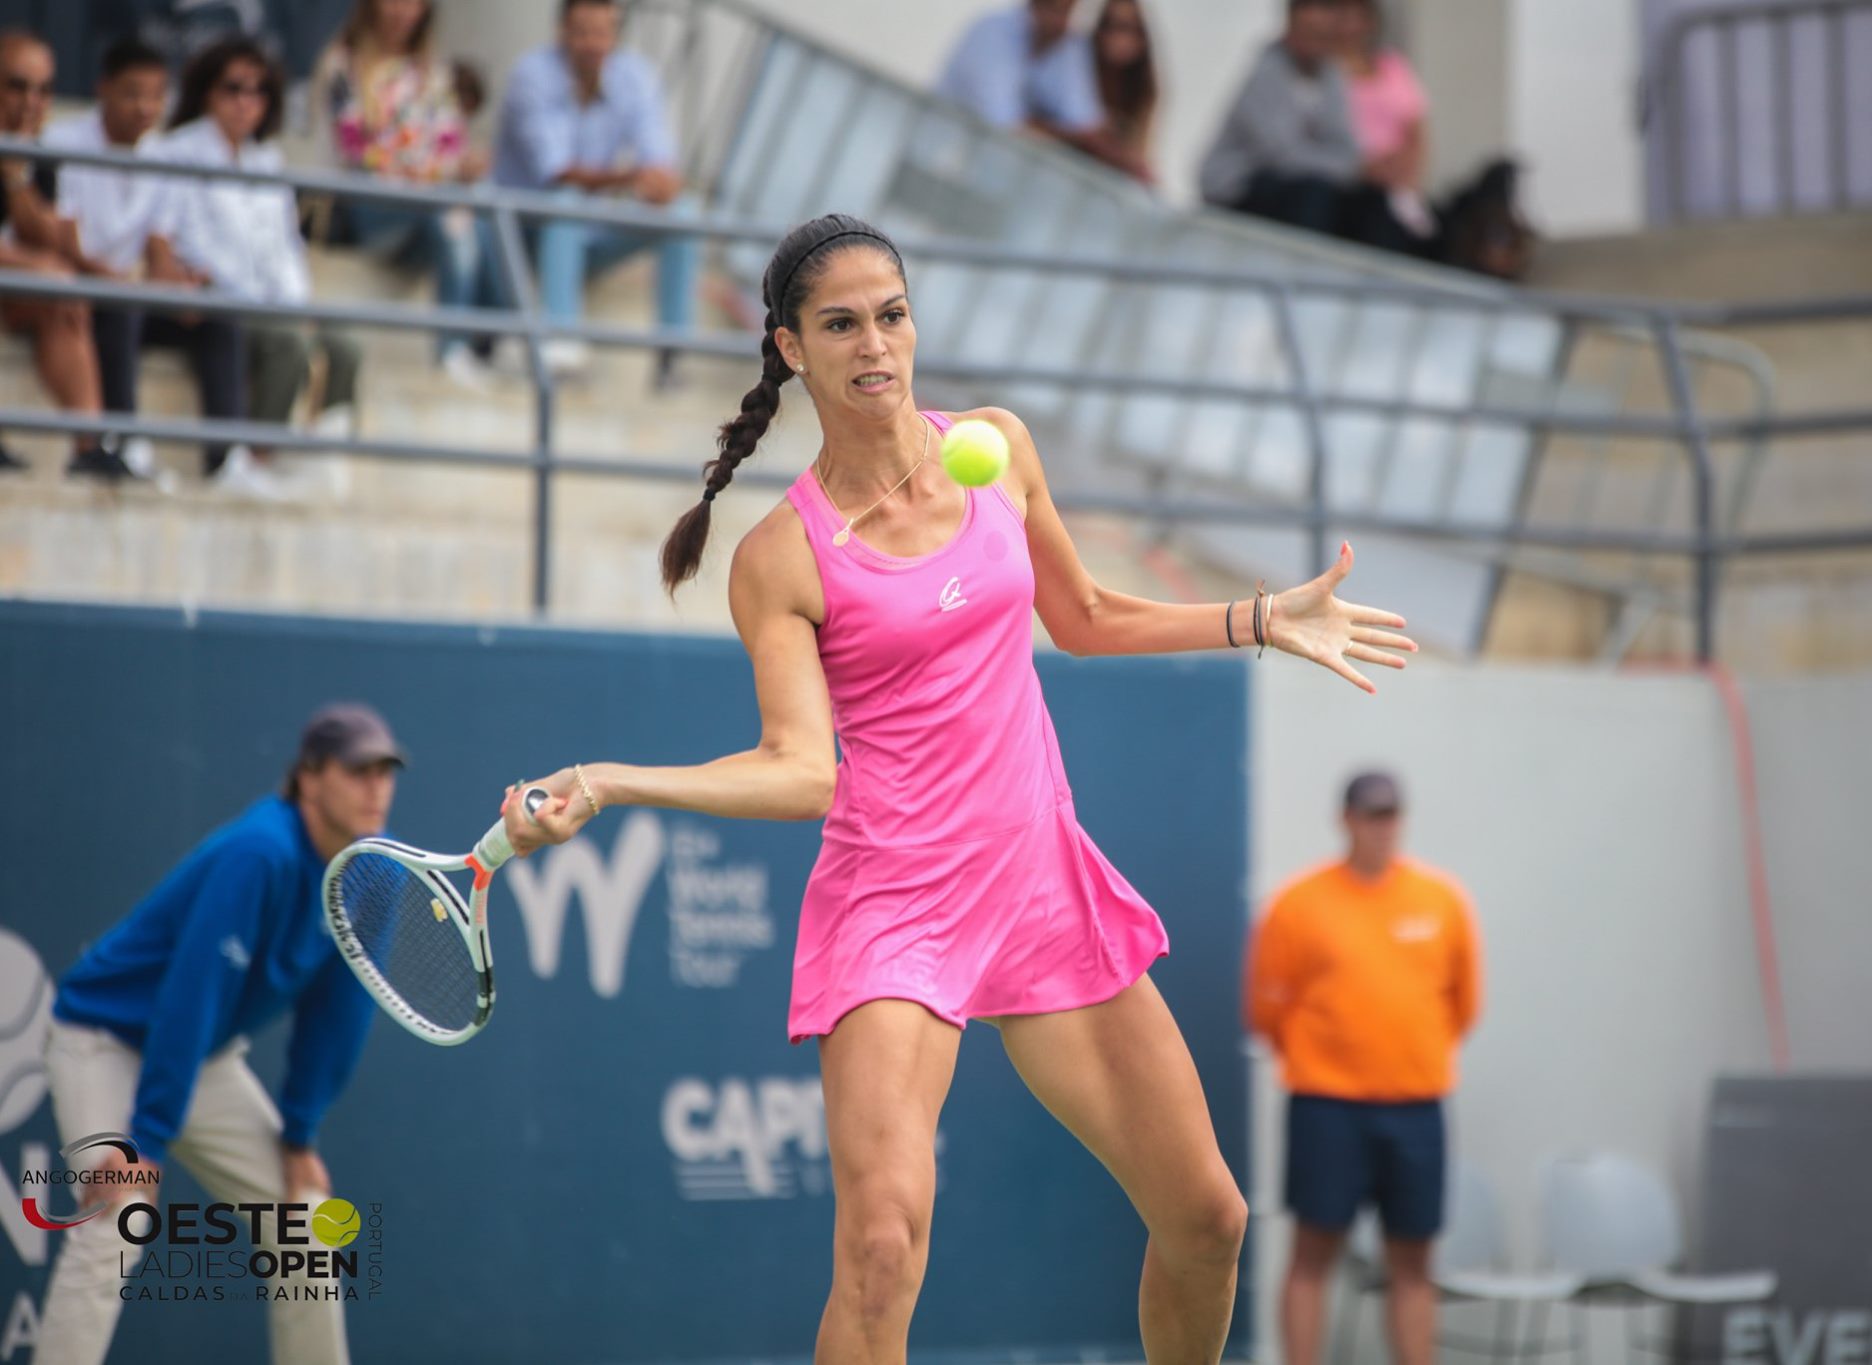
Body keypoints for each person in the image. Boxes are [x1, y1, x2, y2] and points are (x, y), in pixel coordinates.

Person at [497, 212, 1418, 1356]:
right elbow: (798, 771)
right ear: (790, 348)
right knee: (880, 1249)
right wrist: (613, 781)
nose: (873, 346)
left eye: (890, 315)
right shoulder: (779, 560)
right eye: (839, 325)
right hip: (895, 906)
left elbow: (1080, 618)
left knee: (1207, 1220)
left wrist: (1260, 617)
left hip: (1040, 882)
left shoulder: (994, 450)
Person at [32, 702, 398, 1365]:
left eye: (385, 771)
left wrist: (299, 1134)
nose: (376, 788)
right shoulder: (258, 854)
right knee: (117, 1218)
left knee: (306, 1232)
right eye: (357, 770)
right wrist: (146, 1139)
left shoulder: (373, 877)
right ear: (310, 779)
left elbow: (337, 1018)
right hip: (101, 1039)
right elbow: (190, 994)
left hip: (198, 1056)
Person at [1246, 771, 1483, 1365]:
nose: (1382, 828)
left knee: (1413, 1260)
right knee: (1312, 1253)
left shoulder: (1441, 900)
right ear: (1346, 819)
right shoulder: (1300, 904)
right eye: (1371, 815)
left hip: (1416, 1108)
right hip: (1328, 1107)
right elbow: (1266, 1008)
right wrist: (1329, 1061)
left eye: (1391, 816)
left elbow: (1463, 1004)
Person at [153, 35, 363, 500]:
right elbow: (172, 239)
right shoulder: (176, 152)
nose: (247, 103)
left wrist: (297, 304)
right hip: (218, 300)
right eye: (234, 88)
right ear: (207, 90)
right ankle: (253, 460)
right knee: (285, 340)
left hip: (269, 300)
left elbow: (285, 248)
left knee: (344, 345)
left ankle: (316, 455)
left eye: (260, 91)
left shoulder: (267, 162)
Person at [46, 35, 248, 482]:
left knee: (217, 317)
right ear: (103, 89)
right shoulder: (63, 143)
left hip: (128, 295)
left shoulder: (163, 156)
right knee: (124, 305)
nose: (145, 107)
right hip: (83, 293)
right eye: (133, 93)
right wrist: (127, 283)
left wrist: (180, 286)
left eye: (156, 96)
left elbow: (158, 246)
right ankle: (126, 443)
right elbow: (63, 242)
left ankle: (227, 461)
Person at [494, 0, 694, 386]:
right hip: (524, 231)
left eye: (602, 32)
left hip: (586, 232)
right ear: (562, 32)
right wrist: (632, 177)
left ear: (615, 34)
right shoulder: (532, 74)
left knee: (683, 214)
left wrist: (661, 182)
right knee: (566, 203)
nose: (592, 43)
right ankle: (561, 340)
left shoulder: (633, 75)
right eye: (583, 31)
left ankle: (673, 354)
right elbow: (558, 173)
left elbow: (658, 157)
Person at [309, 0, 498, 387]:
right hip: (367, 206)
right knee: (456, 214)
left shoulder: (434, 72)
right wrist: (436, 171)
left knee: (473, 219)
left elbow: (449, 142)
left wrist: (460, 167)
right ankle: (464, 344)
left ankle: (473, 343)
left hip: (428, 208)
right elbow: (357, 151)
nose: (402, 11)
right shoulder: (343, 65)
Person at [0, 31, 127, 481]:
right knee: (57, 282)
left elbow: (53, 240)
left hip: (19, 288)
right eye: (17, 86)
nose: (31, 102)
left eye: (44, 89)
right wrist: (41, 267)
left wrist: (16, 179)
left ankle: (89, 448)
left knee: (66, 300)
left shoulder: (39, 154)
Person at [1198, 0, 1417, 254]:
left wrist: (1365, 170)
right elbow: (1282, 156)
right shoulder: (1267, 71)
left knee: (1373, 202)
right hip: (1240, 190)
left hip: (1301, 187)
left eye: (1324, 35)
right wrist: (1355, 169)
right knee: (1314, 195)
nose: (1317, 43)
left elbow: (1345, 144)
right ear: (1291, 26)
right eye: (1310, 33)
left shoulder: (1330, 74)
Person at [935, 0, 1149, 180]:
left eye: (1068, 10)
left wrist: (1126, 160)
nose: (1060, 21)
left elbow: (1086, 124)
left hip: (989, 177)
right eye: (1054, 7)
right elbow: (1007, 126)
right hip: (940, 161)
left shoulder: (1067, 47)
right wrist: (1078, 140)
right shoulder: (993, 32)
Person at [1336, 0, 1434, 242]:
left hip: (1397, 186)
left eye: (1358, 18)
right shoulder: (1325, 71)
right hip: (1349, 183)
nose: (1351, 27)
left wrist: (1403, 175)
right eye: (1343, 17)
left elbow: (1416, 130)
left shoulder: (1393, 65)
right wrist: (1365, 168)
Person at [1092, 0, 1160, 185]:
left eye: (1129, 29)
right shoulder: (1077, 65)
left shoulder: (1144, 88)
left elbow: (1139, 153)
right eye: (1114, 27)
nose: (1120, 38)